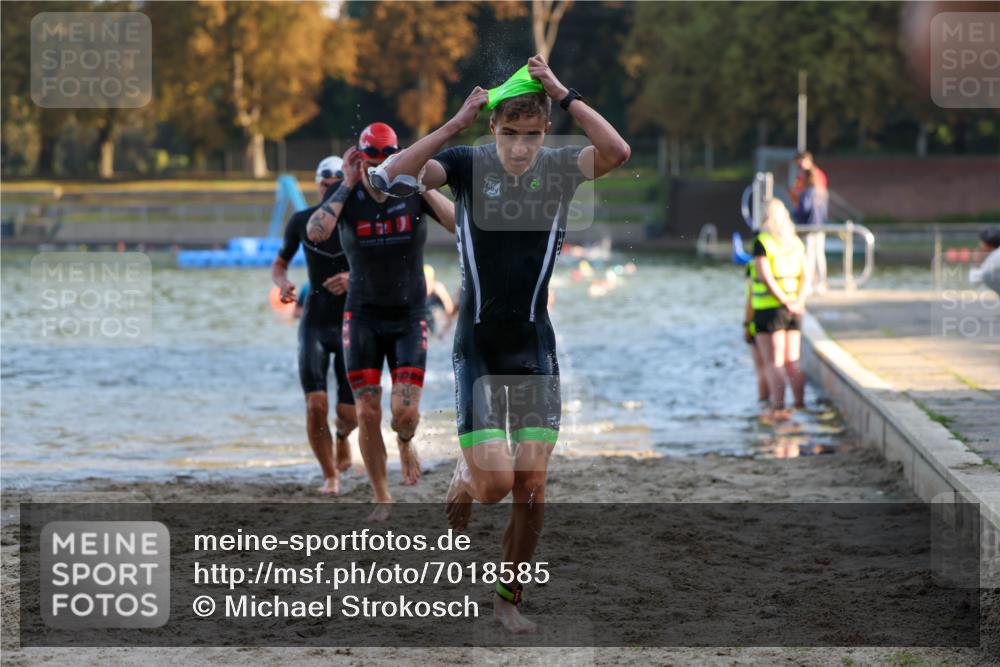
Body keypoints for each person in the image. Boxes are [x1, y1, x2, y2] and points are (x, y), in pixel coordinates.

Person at [370, 55, 630, 633]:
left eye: (531, 135)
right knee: (494, 486)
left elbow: (617, 152)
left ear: (546, 131)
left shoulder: (559, 168)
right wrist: (454, 124)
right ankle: (467, 475)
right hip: (480, 349)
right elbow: (388, 178)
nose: (519, 147)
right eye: (509, 133)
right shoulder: (467, 164)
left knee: (532, 489)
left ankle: (508, 598)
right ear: (493, 128)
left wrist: (563, 92)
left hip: (535, 346)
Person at [306, 123, 455, 518]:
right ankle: (382, 496)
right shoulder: (348, 195)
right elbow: (316, 232)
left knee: (404, 413)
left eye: (388, 157)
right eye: (371, 158)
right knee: (368, 412)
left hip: (409, 315)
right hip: (363, 317)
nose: (379, 166)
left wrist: (420, 181)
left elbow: (458, 223)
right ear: (359, 158)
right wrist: (346, 183)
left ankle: (405, 441)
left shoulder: (412, 192)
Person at [271, 156, 356, 495]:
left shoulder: (358, 221)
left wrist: (353, 278)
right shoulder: (301, 221)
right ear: (318, 185)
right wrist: (283, 283)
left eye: (337, 183)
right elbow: (279, 264)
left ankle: (343, 435)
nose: (330, 189)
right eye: (325, 184)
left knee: (348, 413)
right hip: (315, 323)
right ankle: (329, 474)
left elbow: (386, 268)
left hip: (352, 324)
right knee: (315, 404)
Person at [751, 199, 810, 420]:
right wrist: (798, 302)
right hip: (795, 309)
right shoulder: (795, 242)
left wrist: (784, 301)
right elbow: (807, 276)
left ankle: (778, 408)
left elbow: (765, 277)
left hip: (770, 309)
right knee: (792, 361)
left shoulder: (762, 242)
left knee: (773, 362)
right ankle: (800, 405)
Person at [791, 166, 829, 294]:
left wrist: (794, 216)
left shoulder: (807, 192)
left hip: (808, 227)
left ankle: (809, 284)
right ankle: (822, 282)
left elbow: (804, 209)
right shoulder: (822, 192)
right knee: (820, 255)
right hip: (820, 227)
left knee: (809, 256)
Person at [743, 264, 769, 403]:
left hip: (760, 322)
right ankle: (796, 404)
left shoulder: (754, 268)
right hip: (788, 314)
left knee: (763, 368)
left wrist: (746, 325)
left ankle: (765, 403)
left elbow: (750, 301)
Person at [424, 264, 456, 337]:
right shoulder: (418, 289)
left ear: (432, 280)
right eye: (424, 282)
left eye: (428, 281)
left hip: (435, 315)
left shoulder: (438, 289)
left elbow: (449, 309)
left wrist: (444, 330)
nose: (426, 285)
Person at [970, 227, 1000, 295]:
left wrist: (977, 262)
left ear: (986, 244)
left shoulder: (994, 258)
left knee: (987, 276)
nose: (979, 246)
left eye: (981, 242)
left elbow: (975, 280)